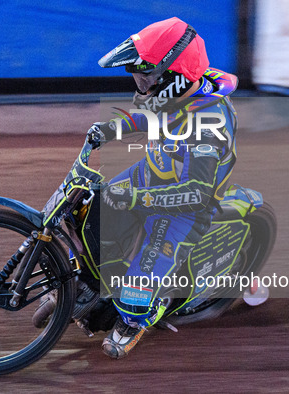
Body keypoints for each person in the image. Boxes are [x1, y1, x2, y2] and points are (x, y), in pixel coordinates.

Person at [87, 17, 240, 359]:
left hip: (184, 208)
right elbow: (149, 118)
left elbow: (197, 193)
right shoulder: (183, 89)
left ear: (174, 77)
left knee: (135, 294)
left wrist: (138, 198)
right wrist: (112, 129)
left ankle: (136, 319)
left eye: (147, 77)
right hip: (151, 174)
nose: (141, 84)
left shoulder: (208, 123)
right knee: (89, 210)